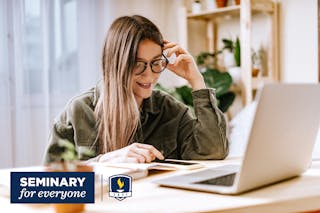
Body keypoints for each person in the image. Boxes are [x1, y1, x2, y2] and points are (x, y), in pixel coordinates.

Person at [44, 15, 228, 164]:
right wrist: (102, 163)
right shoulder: (78, 112)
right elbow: (48, 188)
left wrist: (196, 80)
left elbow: (213, 151)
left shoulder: (170, 110)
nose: (149, 76)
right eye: (138, 65)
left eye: (156, 63)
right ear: (116, 65)